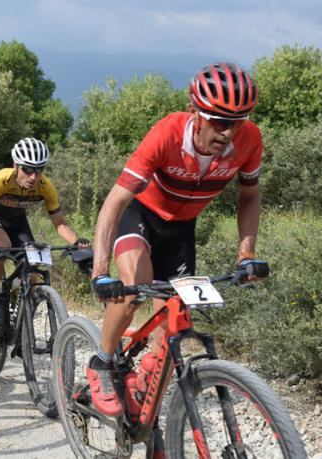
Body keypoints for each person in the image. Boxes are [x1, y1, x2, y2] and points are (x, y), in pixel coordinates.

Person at [87, 62, 262, 418]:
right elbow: (115, 200)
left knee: (175, 316)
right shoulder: (167, 133)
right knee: (135, 289)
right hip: (139, 216)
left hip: (181, 227)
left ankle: (145, 393)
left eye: (237, 121)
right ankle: (102, 362)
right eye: (218, 120)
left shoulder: (250, 140)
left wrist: (247, 253)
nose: (228, 132)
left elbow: (250, 195)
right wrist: (100, 272)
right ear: (196, 112)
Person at [0, 137, 91, 328]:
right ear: (16, 165)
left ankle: (17, 315)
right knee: (2, 247)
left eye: (39, 169)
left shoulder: (45, 186)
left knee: (32, 269)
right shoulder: (1, 179)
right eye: (28, 169)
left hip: (18, 222)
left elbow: (60, 224)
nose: (34, 176)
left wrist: (77, 243)